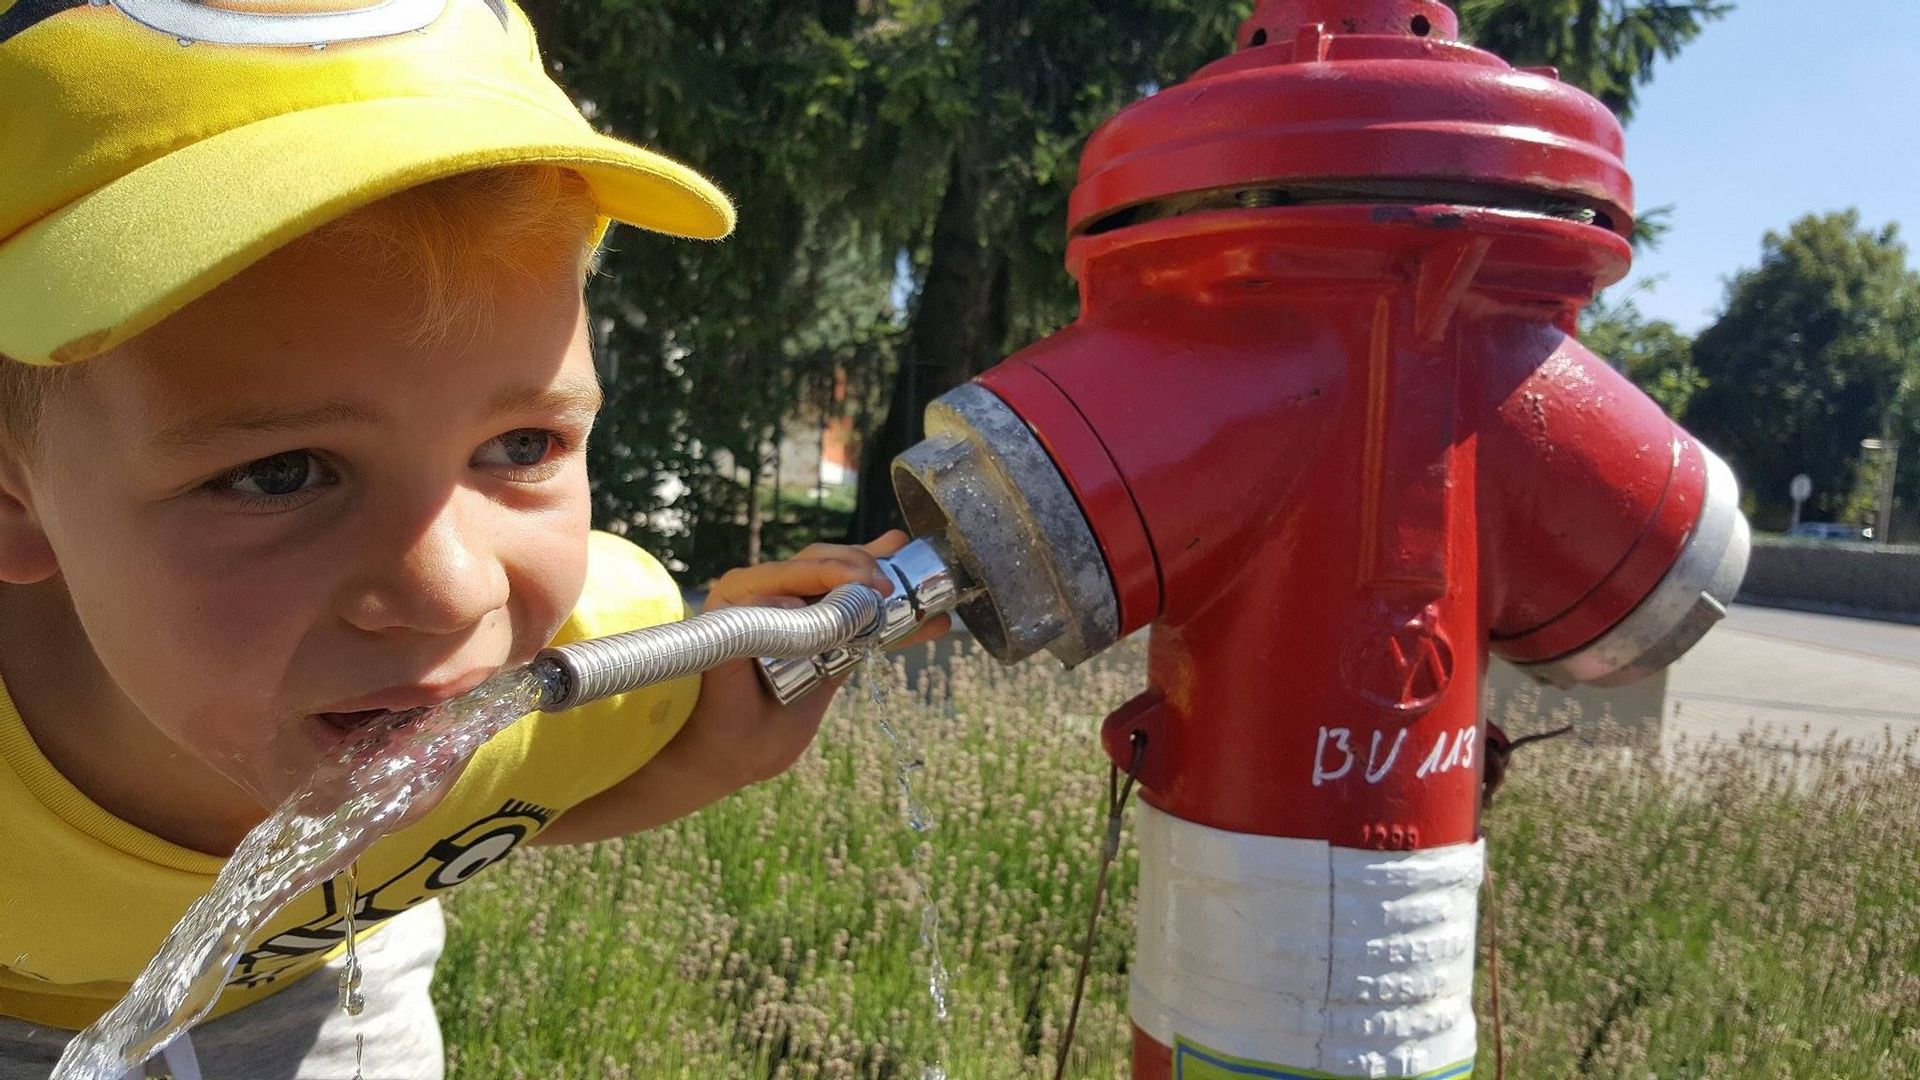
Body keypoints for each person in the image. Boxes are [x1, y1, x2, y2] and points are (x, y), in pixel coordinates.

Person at [0, 2, 941, 1076]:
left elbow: (510, 808)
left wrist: (716, 750)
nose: (452, 595)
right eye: (281, 474)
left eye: (521, 443)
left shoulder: (586, 661)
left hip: (317, 977)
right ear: (14, 495)